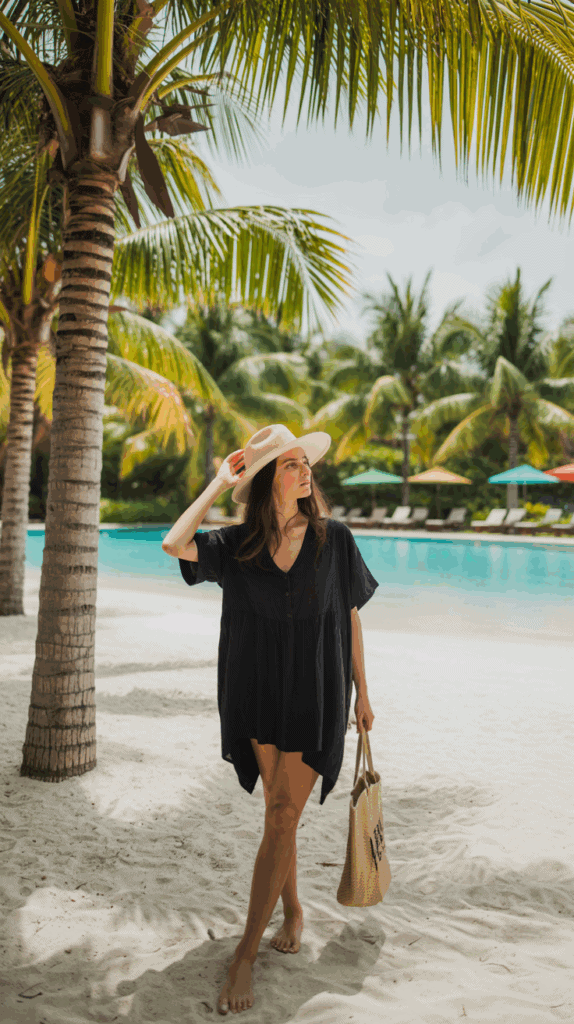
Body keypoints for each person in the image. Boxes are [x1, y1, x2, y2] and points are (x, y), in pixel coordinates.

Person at [161, 423, 378, 1015]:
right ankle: (294, 910)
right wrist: (217, 483)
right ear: (263, 480)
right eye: (288, 464)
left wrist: (362, 691)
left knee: (284, 814)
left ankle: (244, 956)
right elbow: (173, 544)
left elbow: (351, 616)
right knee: (276, 814)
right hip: (254, 692)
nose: (304, 470)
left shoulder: (336, 540)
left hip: (316, 694)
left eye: (304, 462)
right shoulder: (237, 545)